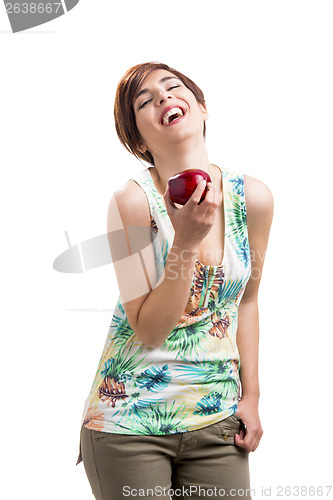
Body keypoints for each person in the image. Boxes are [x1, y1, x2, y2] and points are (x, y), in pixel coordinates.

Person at [76, 61, 274, 500]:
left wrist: (253, 397)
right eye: (144, 102)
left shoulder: (252, 198)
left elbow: (247, 302)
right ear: (138, 139)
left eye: (173, 87)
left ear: (202, 108)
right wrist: (184, 242)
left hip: (217, 416)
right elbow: (148, 330)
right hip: (130, 423)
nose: (163, 97)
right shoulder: (133, 203)